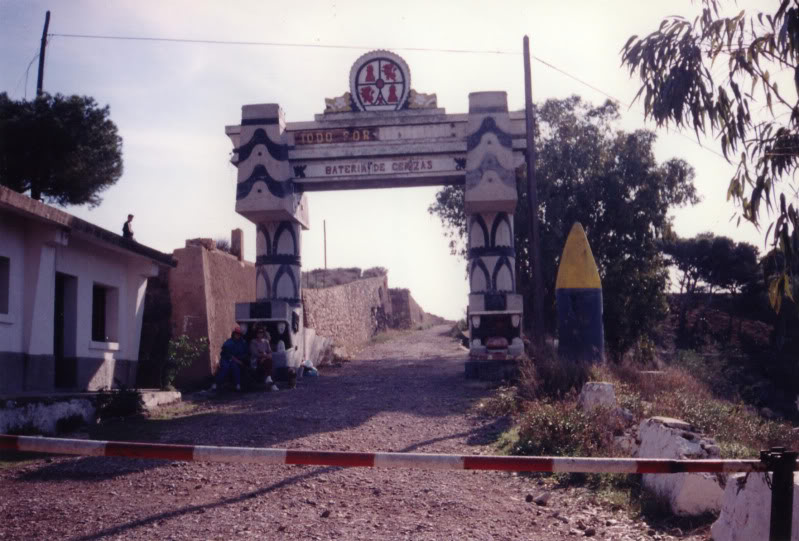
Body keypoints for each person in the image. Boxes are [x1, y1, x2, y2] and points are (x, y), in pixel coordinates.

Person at [210, 326, 248, 391]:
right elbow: (227, 354)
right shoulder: (229, 342)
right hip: (226, 359)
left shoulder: (242, 343)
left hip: (235, 360)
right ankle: (216, 384)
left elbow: (244, 352)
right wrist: (237, 361)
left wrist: (242, 359)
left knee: (236, 368)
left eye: (239, 334)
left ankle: (237, 385)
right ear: (233, 334)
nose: (237, 336)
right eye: (236, 334)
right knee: (225, 368)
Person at [250, 327, 279, 391]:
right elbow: (255, 353)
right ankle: (272, 384)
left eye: (261, 333)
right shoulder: (253, 342)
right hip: (256, 361)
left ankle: (270, 380)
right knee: (269, 362)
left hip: (265, 359)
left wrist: (266, 356)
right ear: (256, 334)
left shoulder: (266, 342)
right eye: (258, 333)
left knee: (270, 362)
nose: (260, 334)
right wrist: (264, 356)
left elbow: (270, 352)